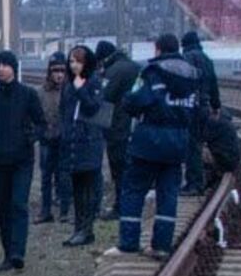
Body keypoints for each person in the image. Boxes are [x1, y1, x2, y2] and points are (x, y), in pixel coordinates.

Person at [117, 34, 201, 259]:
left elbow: (134, 100)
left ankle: (128, 243)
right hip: (178, 143)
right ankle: (161, 245)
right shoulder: (192, 76)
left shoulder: (152, 72)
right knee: (168, 194)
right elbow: (196, 109)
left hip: (148, 142)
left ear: (158, 49)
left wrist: (130, 104)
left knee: (133, 190)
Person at [0, 50, 46, 271]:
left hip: (22, 159)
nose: (1, 68)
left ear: (14, 68)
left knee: (19, 204)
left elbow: (41, 122)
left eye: (6, 64)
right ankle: (7, 254)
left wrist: (30, 139)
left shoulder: (28, 94)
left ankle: (17, 253)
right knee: (3, 207)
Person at [59, 44, 107, 249]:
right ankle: (80, 228)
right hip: (72, 142)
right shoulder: (69, 84)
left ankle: (86, 229)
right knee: (77, 186)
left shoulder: (93, 82)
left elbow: (93, 107)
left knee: (87, 186)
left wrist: (81, 90)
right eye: (71, 61)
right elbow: (65, 111)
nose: (74, 65)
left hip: (88, 142)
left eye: (78, 61)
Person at [95, 40, 142, 223]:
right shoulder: (136, 67)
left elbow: (104, 98)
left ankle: (121, 207)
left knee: (119, 169)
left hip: (118, 127)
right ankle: (132, 205)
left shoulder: (113, 71)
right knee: (133, 168)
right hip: (137, 125)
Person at [179, 31, 221, 194]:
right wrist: (215, 106)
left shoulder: (187, 58)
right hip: (204, 106)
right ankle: (197, 181)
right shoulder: (207, 59)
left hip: (192, 107)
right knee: (196, 144)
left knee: (192, 146)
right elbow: (214, 84)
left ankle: (194, 184)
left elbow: (185, 83)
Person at [36, 52, 71, 225]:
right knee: (46, 177)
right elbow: (35, 116)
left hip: (64, 140)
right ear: (49, 72)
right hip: (46, 139)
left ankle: (64, 211)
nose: (58, 74)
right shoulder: (41, 92)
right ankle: (45, 210)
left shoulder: (70, 90)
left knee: (64, 176)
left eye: (62, 71)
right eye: (55, 70)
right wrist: (40, 132)